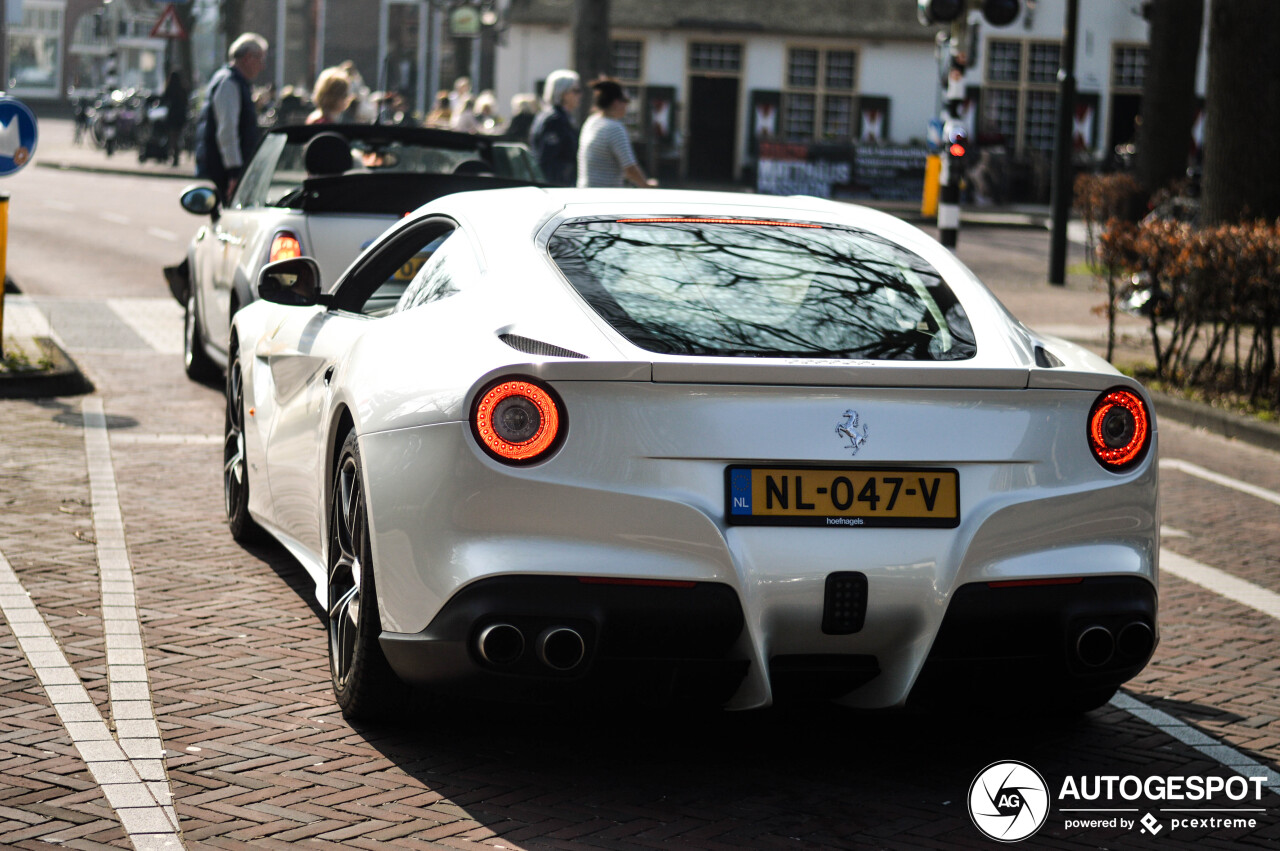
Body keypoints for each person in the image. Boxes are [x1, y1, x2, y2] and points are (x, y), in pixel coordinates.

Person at [194, 33, 268, 203]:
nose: (262, 66)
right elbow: (227, 130)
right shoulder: (229, 83)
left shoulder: (231, 80)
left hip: (224, 168)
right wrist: (234, 172)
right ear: (249, 57)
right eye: (261, 59)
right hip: (225, 171)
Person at [577, 78, 656, 189]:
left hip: (585, 190)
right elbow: (630, 168)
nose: (627, 105)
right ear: (616, 102)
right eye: (626, 101)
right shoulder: (614, 128)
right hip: (605, 195)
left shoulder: (591, 122)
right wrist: (646, 185)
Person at [529, 70, 581, 186]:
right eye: (576, 91)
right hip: (558, 186)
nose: (579, 95)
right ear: (563, 93)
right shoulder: (555, 119)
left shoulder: (554, 115)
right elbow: (549, 160)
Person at [159, 70, 188, 166]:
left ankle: (173, 156)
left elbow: (164, 100)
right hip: (181, 117)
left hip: (172, 116)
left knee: (172, 137)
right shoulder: (183, 89)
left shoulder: (170, 89)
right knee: (178, 136)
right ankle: (176, 155)